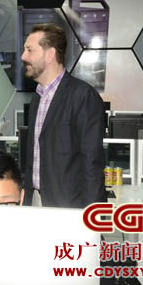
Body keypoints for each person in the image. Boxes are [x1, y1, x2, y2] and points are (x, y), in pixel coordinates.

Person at [21, 23, 106, 208]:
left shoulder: (82, 96)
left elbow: (92, 162)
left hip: (69, 206)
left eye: (30, 50)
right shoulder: (37, 98)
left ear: (50, 54)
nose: (23, 56)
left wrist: (93, 214)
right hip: (35, 200)